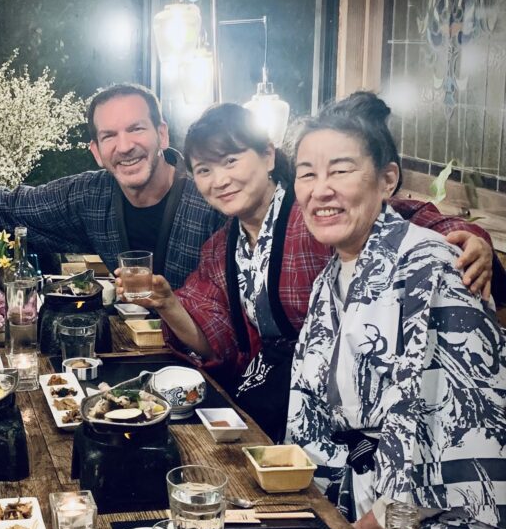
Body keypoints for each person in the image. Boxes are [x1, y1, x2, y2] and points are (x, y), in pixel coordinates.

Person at [123, 103, 496, 439]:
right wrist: (167, 303)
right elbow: (216, 340)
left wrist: (472, 240)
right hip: (284, 400)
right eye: (204, 169)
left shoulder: (318, 215)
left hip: (356, 403)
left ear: (268, 156)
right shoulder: (221, 247)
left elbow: (398, 218)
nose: (219, 180)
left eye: (231, 161)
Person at [286, 92, 506, 529]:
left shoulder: (432, 266)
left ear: (387, 180)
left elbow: (440, 438)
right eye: (307, 173)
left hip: (444, 523)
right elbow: (312, 421)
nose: (320, 189)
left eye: (341, 170)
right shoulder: (329, 279)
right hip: (362, 502)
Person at [0, 82, 226, 288]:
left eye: (136, 129)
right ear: (96, 152)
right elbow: (6, 206)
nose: (125, 146)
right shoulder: (93, 196)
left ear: (162, 135)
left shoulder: (213, 197)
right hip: (138, 352)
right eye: (109, 136)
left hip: (215, 361)